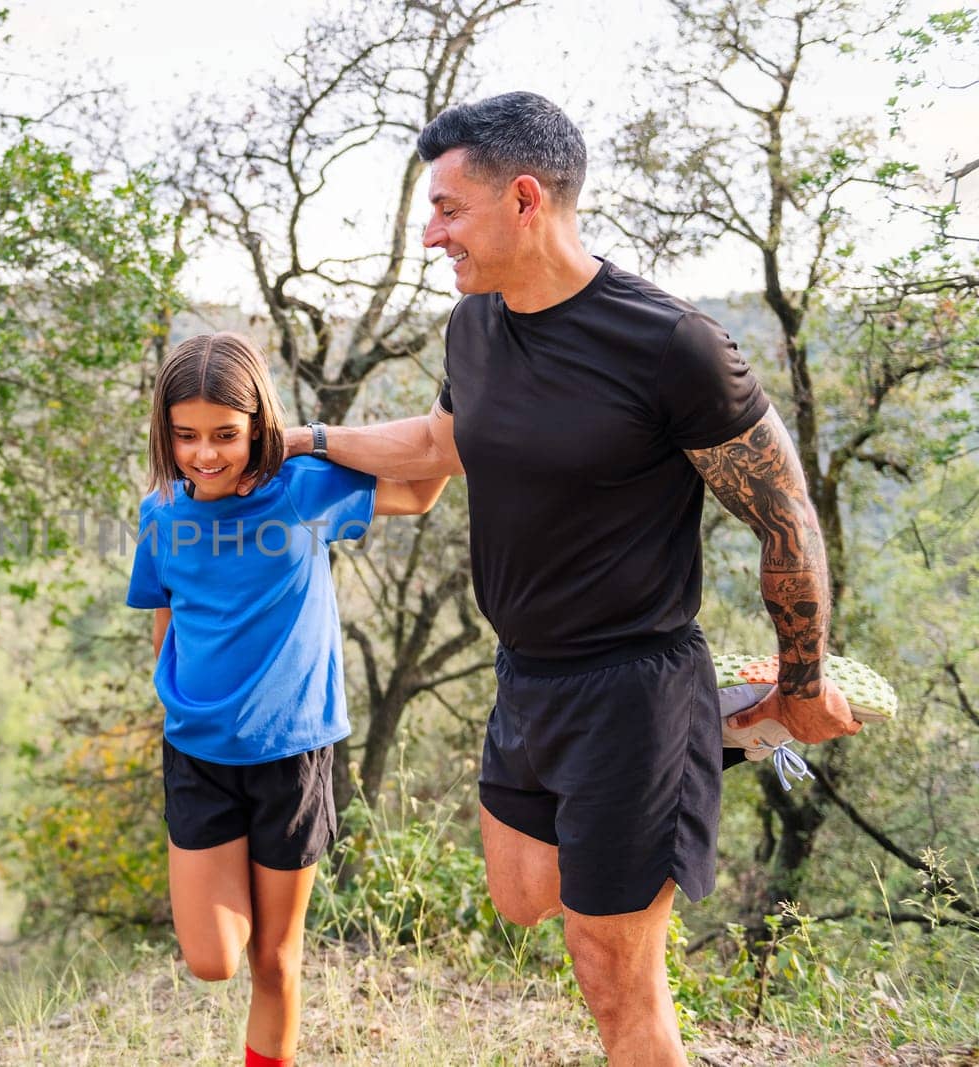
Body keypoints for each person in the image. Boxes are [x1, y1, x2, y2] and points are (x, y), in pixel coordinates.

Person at [282, 91, 859, 1065]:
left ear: (521, 199)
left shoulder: (668, 344)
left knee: (611, 974)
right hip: (528, 675)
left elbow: (785, 515)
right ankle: (714, 729)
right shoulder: (475, 328)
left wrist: (801, 686)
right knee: (519, 897)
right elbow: (441, 442)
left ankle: (697, 726)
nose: (430, 235)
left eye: (446, 210)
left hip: (633, 682)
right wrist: (298, 437)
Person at [126, 332, 447, 1067]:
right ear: (165, 432)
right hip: (197, 757)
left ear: (259, 426)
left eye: (226, 435)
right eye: (187, 436)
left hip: (292, 756)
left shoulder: (303, 488)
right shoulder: (161, 513)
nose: (206, 454)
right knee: (214, 959)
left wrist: (311, 439)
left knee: (276, 958)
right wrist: (179, 702)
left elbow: (429, 480)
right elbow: (166, 615)